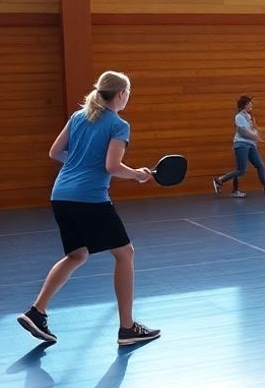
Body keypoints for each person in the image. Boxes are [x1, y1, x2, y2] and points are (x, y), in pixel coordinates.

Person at [17, 70, 161, 347]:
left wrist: (81, 161)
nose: (128, 97)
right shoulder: (118, 125)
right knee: (125, 254)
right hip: (89, 198)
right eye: (128, 92)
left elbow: (55, 153)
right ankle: (128, 328)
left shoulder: (78, 117)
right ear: (120, 94)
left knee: (76, 255)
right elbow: (112, 167)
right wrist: (139, 174)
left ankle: (37, 312)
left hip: (61, 195)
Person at [212, 95, 265, 198]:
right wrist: (256, 137)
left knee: (260, 165)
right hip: (241, 145)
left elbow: (252, 130)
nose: (251, 106)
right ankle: (220, 180)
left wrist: (258, 135)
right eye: (250, 104)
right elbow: (243, 131)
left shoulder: (248, 116)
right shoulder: (239, 117)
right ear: (245, 105)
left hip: (251, 145)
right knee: (241, 170)